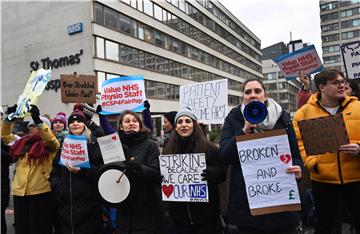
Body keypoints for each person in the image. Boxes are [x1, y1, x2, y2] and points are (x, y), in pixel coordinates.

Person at [219, 78, 302, 234]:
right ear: (243, 97)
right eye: (248, 92)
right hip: (247, 206)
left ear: (265, 95)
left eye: (257, 91)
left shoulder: (282, 118)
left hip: (281, 204)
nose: (253, 95)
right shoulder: (234, 118)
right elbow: (224, 156)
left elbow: (295, 154)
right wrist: (243, 132)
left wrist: (298, 170)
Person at [293, 69, 360, 234]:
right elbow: (300, 142)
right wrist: (311, 163)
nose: (342, 85)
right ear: (322, 87)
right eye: (336, 83)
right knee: (325, 226)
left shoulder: (358, 107)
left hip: (356, 178)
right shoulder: (304, 113)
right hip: (323, 181)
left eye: (343, 82)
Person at [163, 109, 226, 234]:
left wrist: (212, 173)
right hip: (179, 218)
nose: (184, 124)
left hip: (206, 217)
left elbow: (222, 173)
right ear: (176, 127)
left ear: (194, 125)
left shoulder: (210, 148)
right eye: (180, 122)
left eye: (188, 121)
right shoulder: (168, 151)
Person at [2, 104, 60, 234]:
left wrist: (38, 120)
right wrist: (9, 117)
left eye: (35, 125)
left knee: (39, 227)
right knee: (22, 228)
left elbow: (51, 140)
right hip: (20, 192)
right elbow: (5, 137)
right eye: (31, 126)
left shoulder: (50, 144)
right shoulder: (21, 142)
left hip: (40, 191)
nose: (32, 128)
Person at [50, 110, 105, 234]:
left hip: (89, 206)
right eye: (72, 122)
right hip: (65, 206)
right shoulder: (63, 146)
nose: (75, 124)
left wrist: (82, 171)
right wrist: (57, 186)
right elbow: (55, 172)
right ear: (68, 126)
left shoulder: (94, 145)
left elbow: (102, 171)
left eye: (79, 121)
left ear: (85, 125)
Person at [115, 110, 162, 234]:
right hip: (123, 209)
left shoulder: (150, 145)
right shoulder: (115, 146)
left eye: (135, 121)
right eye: (127, 121)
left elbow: (157, 174)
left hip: (145, 207)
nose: (131, 123)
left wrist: (138, 168)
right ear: (121, 126)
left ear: (140, 125)